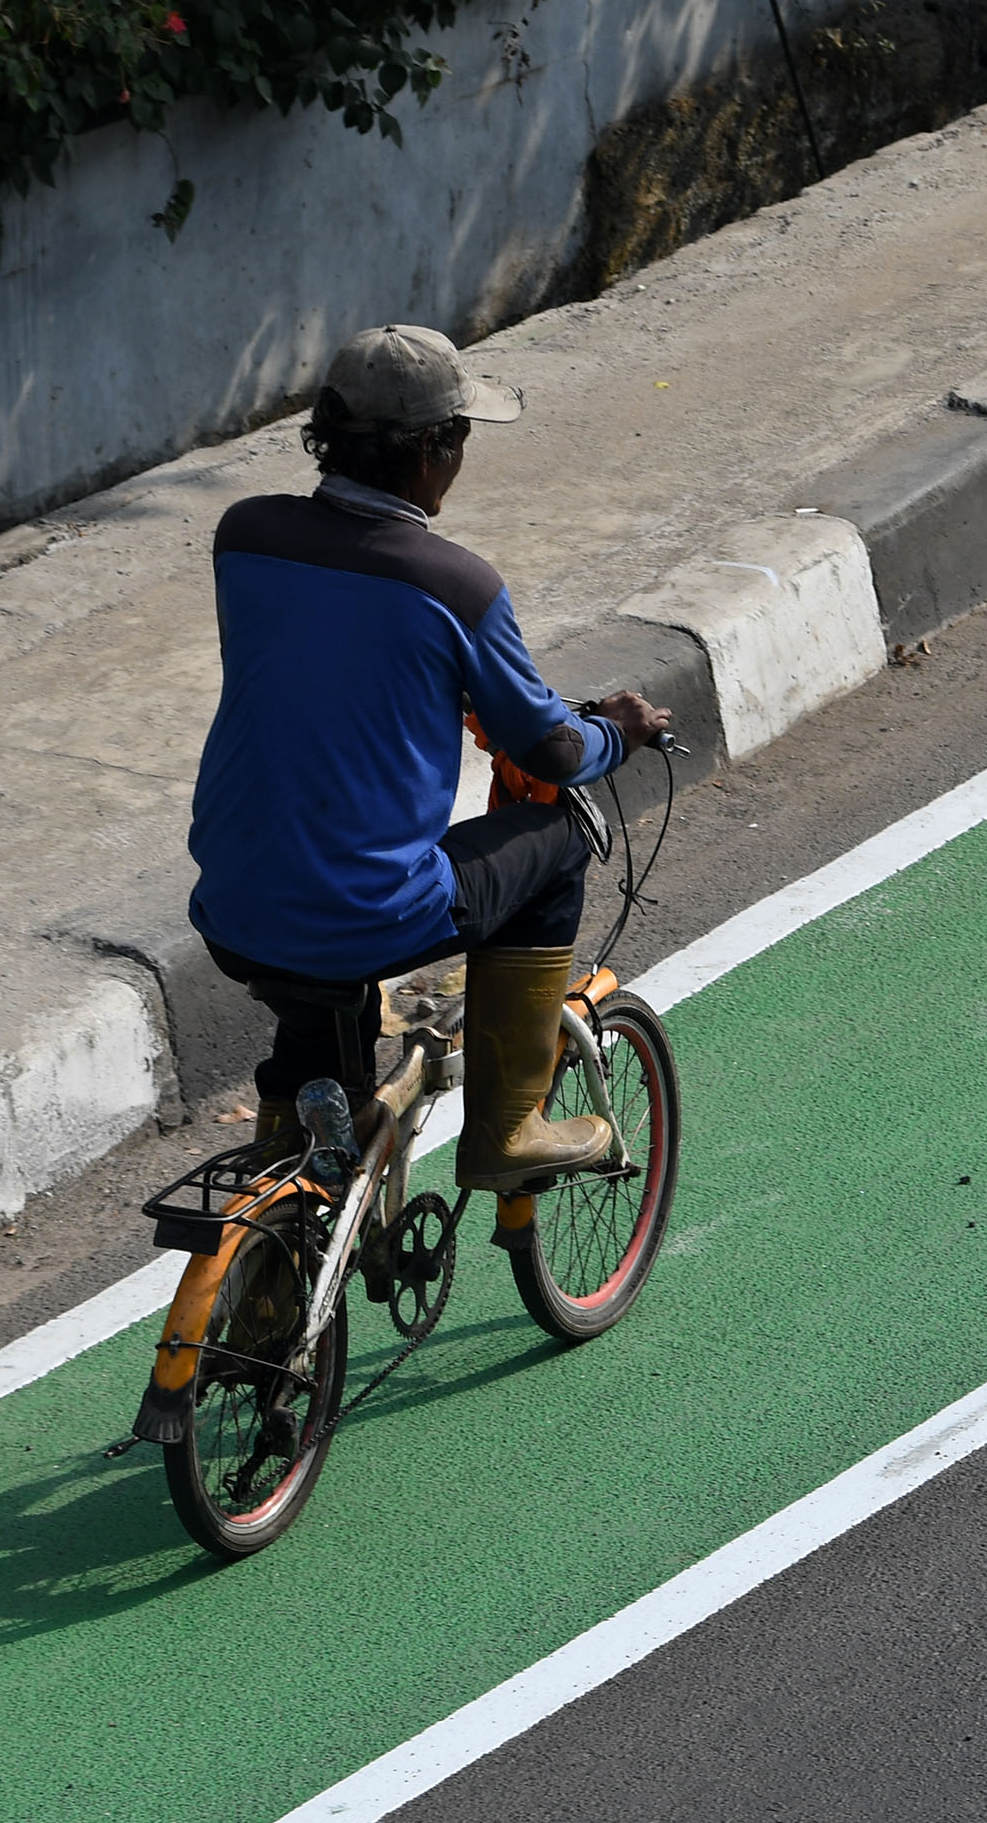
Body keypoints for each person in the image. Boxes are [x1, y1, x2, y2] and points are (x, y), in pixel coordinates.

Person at [186, 323, 671, 1216]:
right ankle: (509, 1128)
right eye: (460, 440)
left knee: (310, 1046)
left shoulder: (244, 536)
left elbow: (304, 666)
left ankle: (270, 1264)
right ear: (430, 453)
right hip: (365, 911)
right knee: (560, 836)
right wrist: (619, 730)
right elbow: (552, 750)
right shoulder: (458, 586)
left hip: (231, 901)